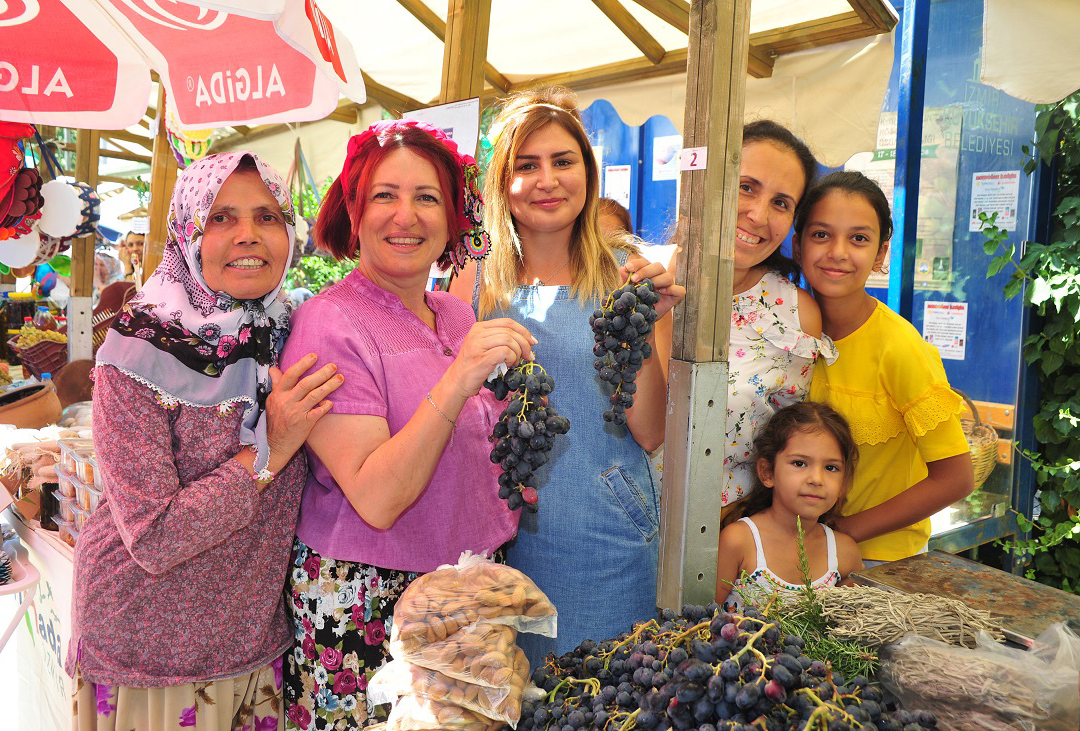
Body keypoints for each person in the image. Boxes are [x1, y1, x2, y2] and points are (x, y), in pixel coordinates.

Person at [67, 152, 343, 731]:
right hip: (150, 652)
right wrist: (270, 445)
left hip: (254, 644)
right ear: (187, 231)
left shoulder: (296, 329)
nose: (248, 235)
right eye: (220, 218)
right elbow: (154, 536)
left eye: (267, 216)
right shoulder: (137, 348)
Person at [279, 119, 531, 730]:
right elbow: (377, 497)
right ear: (355, 213)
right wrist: (458, 379)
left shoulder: (452, 312)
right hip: (369, 605)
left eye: (427, 198)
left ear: (452, 219)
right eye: (385, 196)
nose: (406, 216)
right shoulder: (327, 324)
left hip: (463, 592)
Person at [449, 87, 685, 666]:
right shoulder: (470, 281)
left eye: (563, 161)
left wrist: (641, 339)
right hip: (496, 535)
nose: (547, 179)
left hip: (606, 534)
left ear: (589, 171)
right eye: (526, 166)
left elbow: (652, 431)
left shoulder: (628, 273)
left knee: (598, 695)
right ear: (502, 182)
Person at [794, 170, 974, 564]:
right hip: (794, 550)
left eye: (858, 238)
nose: (838, 252)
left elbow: (956, 478)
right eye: (821, 234)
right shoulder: (783, 329)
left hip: (881, 562)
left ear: (880, 254)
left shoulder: (901, 349)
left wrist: (843, 532)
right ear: (797, 244)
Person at [721, 120, 834, 514]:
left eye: (781, 203)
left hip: (726, 535)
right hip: (611, 533)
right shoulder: (641, 277)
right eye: (746, 187)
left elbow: (789, 446)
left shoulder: (795, 314)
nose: (757, 214)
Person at [716, 402, 863, 610]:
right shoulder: (739, 541)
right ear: (767, 472)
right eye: (800, 463)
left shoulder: (845, 553)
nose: (816, 479)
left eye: (831, 467)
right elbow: (703, 621)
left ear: (844, 482)